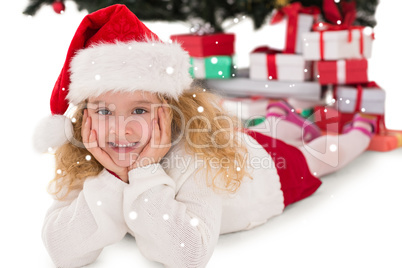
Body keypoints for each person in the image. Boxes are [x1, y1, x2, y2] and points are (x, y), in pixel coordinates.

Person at [33, 4, 377, 268]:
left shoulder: (196, 157)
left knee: (320, 155)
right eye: (105, 111)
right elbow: (62, 251)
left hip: (264, 174)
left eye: (139, 110)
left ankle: (362, 128)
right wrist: (112, 177)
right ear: (83, 118)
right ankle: (280, 116)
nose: (121, 129)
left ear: (167, 112)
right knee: (264, 132)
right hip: (243, 142)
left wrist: (145, 170)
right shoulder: (87, 157)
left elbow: (189, 254)